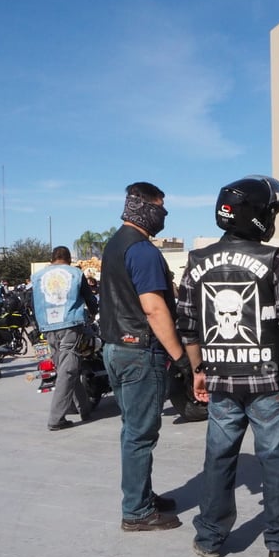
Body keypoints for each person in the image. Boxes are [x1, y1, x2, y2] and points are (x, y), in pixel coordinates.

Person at [177, 175, 279, 557]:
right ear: (257, 214)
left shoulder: (195, 261)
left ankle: (210, 537)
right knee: (276, 459)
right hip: (270, 380)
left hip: (221, 379)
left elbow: (188, 323)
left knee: (219, 457)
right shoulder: (271, 258)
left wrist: (197, 370)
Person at [99, 181, 186, 532]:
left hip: (115, 348)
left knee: (132, 430)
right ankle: (136, 511)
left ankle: (142, 494)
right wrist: (180, 356)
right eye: (161, 207)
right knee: (140, 434)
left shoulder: (116, 245)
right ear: (146, 206)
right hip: (139, 351)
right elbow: (153, 308)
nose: (163, 214)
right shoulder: (143, 250)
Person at [31, 246, 99, 431]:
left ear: (52, 259)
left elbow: (32, 301)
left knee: (66, 368)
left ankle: (84, 409)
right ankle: (56, 418)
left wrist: (38, 325)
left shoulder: (38, 276)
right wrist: (94, 312)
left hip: (48, 326)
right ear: (68, 259)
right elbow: (89, 298)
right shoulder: (75, 273)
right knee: (68, 371)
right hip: (70, 324)